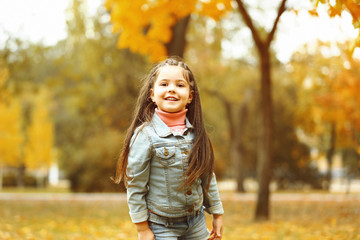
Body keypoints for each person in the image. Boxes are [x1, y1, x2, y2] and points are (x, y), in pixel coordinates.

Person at [112, 57, 224, 240]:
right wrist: (142, 228)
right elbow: (136, 185)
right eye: (164, 84)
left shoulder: (197, 134)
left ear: (190, 96)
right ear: (152, 94)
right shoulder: (145, 135)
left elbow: (207, 176)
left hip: (196, 222)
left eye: (180, 85)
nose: (171, 89)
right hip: (161, 226)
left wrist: (217, 213)